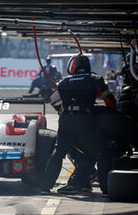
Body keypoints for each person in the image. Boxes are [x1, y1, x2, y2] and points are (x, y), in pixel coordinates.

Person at [42, 54, 119, 195]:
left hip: (65, 121)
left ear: (73, 66)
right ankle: (106, 189)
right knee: (102, 153)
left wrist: (64, 110)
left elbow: (52, 100)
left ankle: (45, 187)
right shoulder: (95, 79)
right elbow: (111, 102)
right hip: (85, 120)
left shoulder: (64, 82)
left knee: (58, 153)